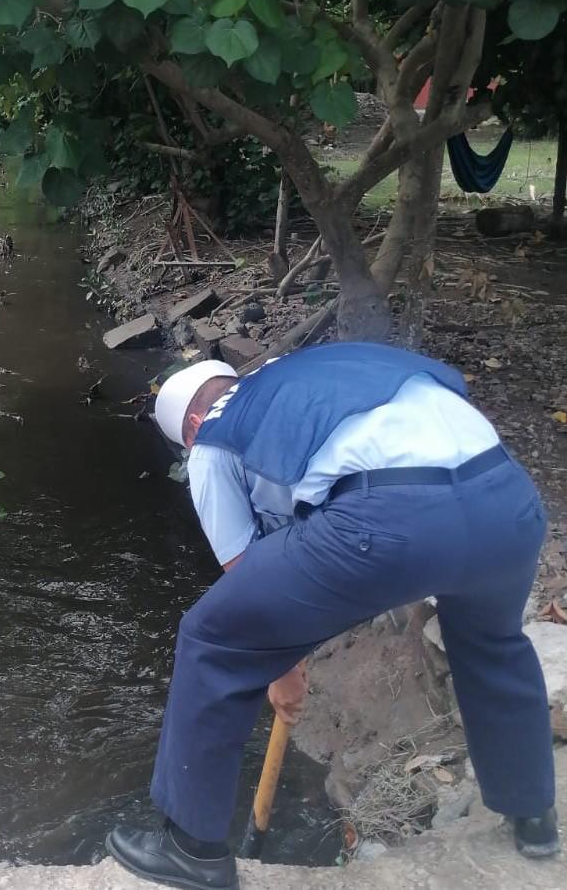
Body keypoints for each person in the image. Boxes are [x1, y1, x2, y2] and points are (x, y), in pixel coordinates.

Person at [107, 342, 559, 890]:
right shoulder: (302, 375)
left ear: (194, 423)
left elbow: (245, 576)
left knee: (212, 638)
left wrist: (281, 666)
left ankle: (191, 848)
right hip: (507, 500)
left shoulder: (212, 439)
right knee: (492, 644)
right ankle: (532, 814)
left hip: (391, 519)